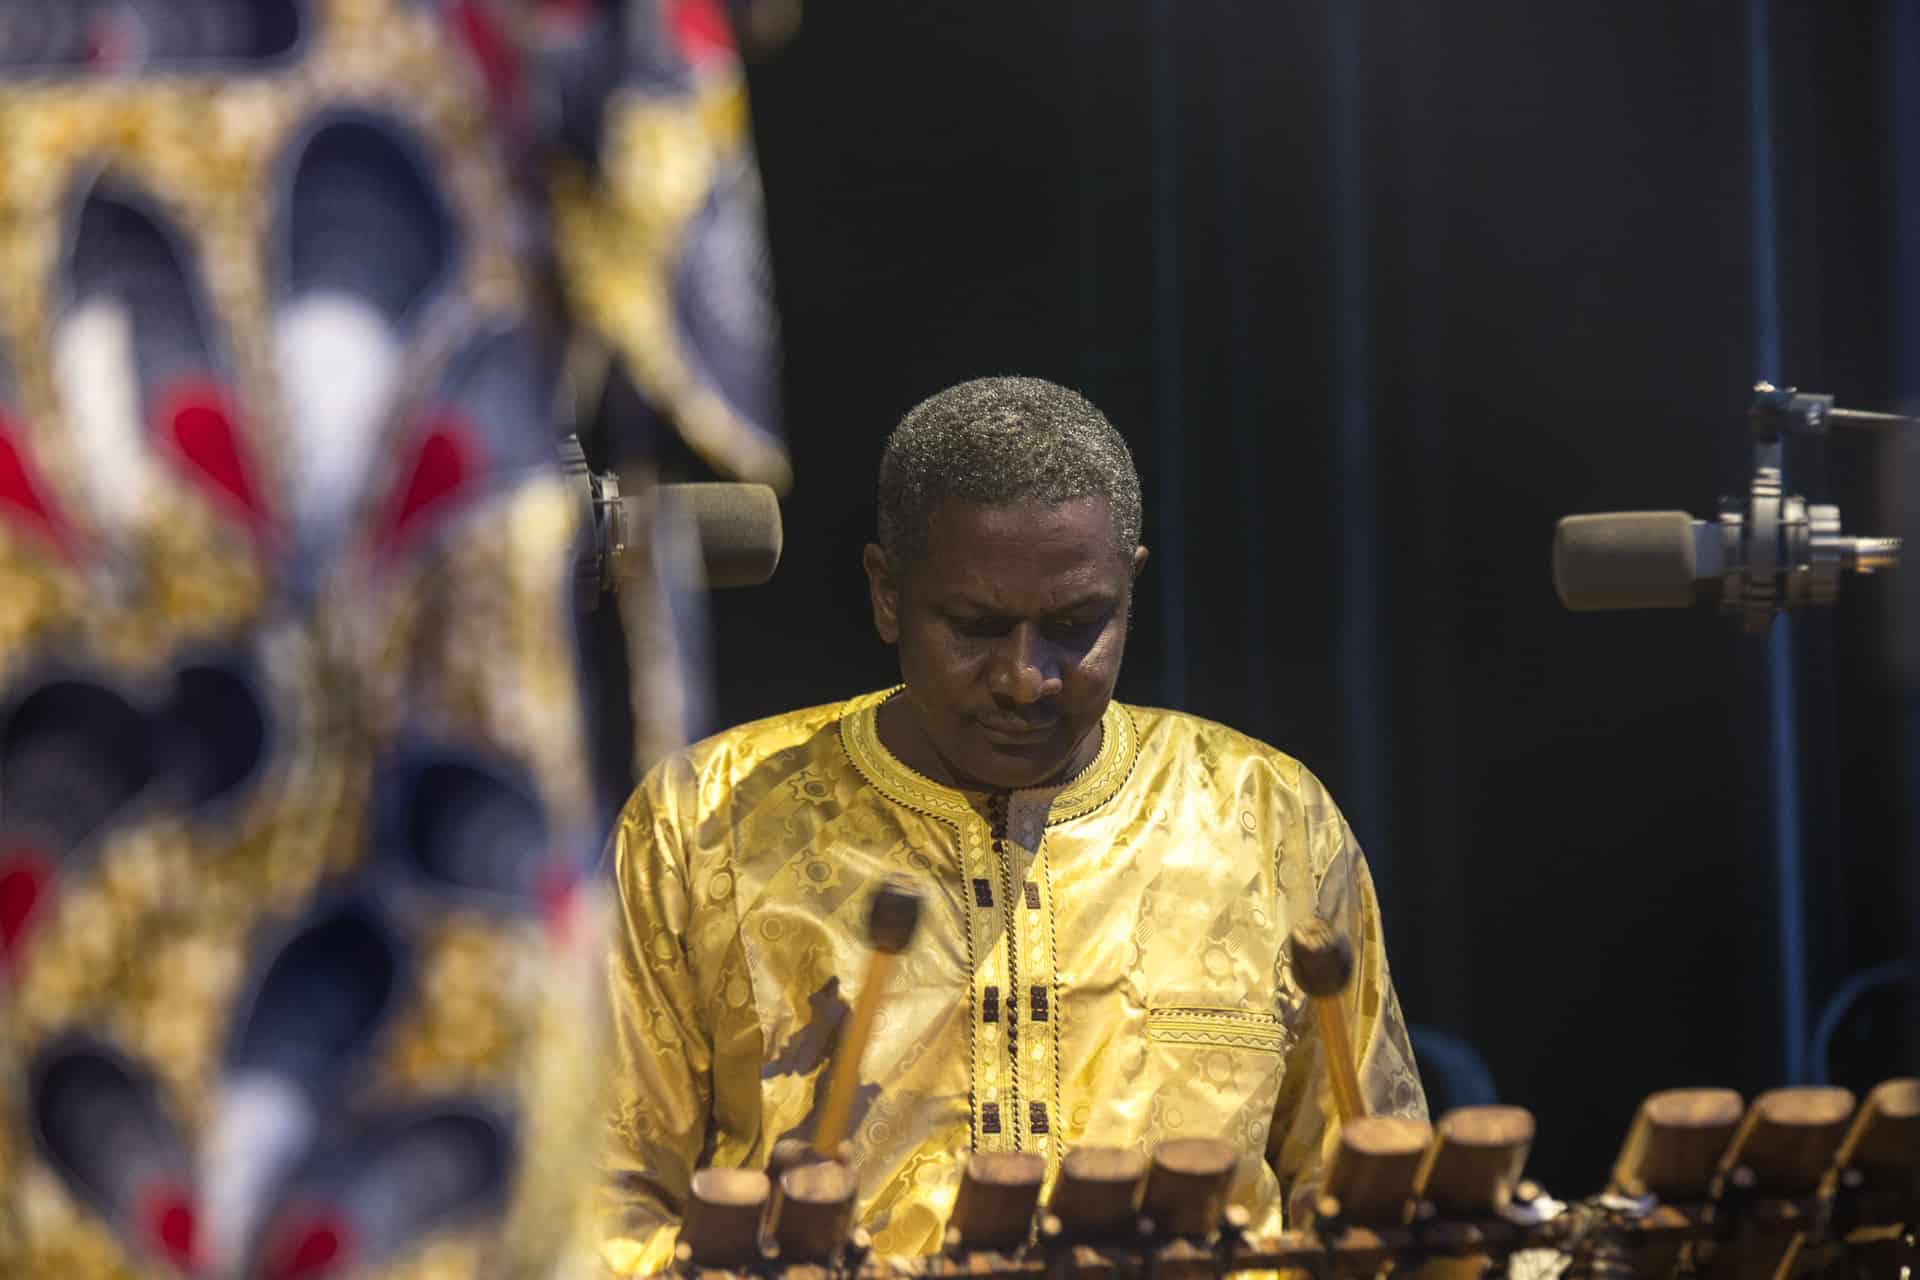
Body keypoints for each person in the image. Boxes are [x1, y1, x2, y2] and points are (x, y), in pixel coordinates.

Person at [598, 376, 1426, 1274]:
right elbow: (602, 1203)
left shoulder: (1267, 817)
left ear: (1131, 588)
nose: (1026, 679)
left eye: (1076, 625)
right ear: (887, 594)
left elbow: (1375, 1203)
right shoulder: (705, 819)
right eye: (976, 626)